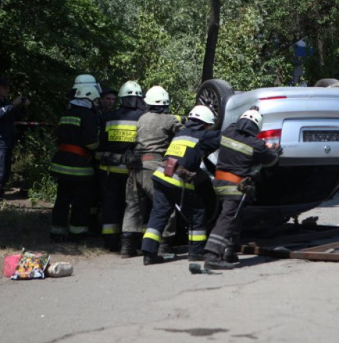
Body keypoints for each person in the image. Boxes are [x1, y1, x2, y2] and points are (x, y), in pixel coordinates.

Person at [140, 105, 221, 265]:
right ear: (205, 123)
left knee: (159, 214)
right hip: (177, 180)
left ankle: (149, 253)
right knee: (197, 212)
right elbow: (225, 138)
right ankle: (196, 252)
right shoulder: (202, 135)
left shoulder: (180, 134)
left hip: (161, 176)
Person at [203, 109, 280, 270]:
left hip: (219, 183)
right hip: (235, 187)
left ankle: (229, 252)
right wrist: (274, 151)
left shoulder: (229, 131)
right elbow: (271, 160)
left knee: (235, 218)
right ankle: (212, 255)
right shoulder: (256, 144)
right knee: (228, 219)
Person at [120, 85, 183, 258]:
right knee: (164, 205)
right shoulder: (170, 120)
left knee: (133, 207)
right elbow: (185, 135)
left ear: (148, 103)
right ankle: (164, 245)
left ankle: (127, 248)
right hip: (154, 167)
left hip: (135, 167)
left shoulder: (142, 118)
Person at [97, 81, 146, 252]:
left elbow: (102, 143)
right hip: (131, 171)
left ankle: (110, 242)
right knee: (133, 206)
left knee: (110, 206)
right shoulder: (143, 117)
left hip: (109, 170)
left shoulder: (109, 117)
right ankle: (131, 242)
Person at [49, 82, 101, 241]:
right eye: (96, 101)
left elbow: (59, 138)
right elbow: (91, 142)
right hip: (79, 167)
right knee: (81, 201)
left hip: (61, 163)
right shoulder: (88, 116)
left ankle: (56, 232)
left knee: (62, 200)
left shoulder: (66, 114)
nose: (96, 104)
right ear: (89, 99)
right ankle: (77, 234)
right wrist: (98, 148)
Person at [0, 77, 29, 198]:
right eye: (4, 87)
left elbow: (19, 116)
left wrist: (24, 106)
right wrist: (13, 104)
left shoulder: (7, 103)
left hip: (8, 142)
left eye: (8, 88)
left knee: (5, 170)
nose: (6, 90)